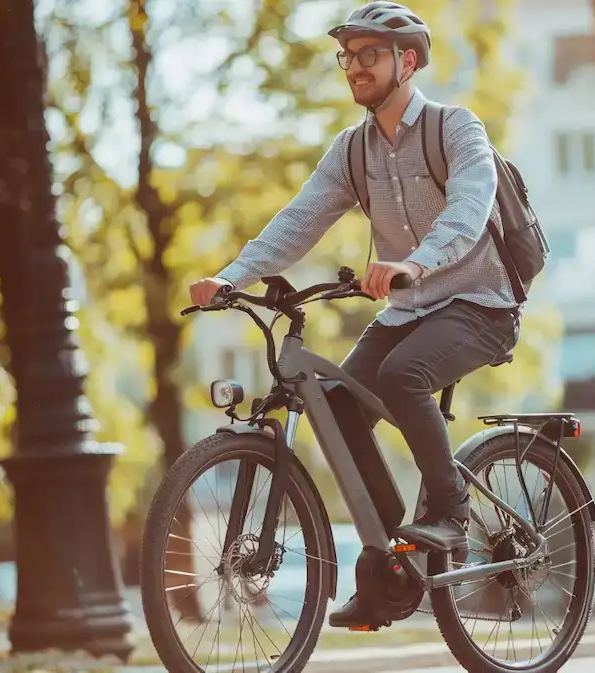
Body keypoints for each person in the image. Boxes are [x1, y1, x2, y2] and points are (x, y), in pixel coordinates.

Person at [186, 0, 521, 626]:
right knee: (337, 405)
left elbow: (472, 208)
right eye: (348, 56)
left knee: (401, 376)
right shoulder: (352, 151)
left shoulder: (455, 127)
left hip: (480, 303)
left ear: (408, 60)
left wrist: (416, 263)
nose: (355, 67)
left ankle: (448, 511)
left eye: (370, 53)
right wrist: (231, 277)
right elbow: (299, 219)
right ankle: (394, 566)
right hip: (409, 309)